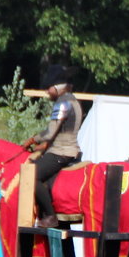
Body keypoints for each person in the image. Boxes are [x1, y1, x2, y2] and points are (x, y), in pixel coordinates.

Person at [23, 64, 83, 229]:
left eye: (48, 88)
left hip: (61, 152)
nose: (47, 92)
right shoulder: (73, 100)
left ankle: (50, 215)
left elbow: (50, 132)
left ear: (57, 87)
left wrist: (32, 139)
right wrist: (43, 147)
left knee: (31, 174)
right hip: (68, 150)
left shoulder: (63, 103)